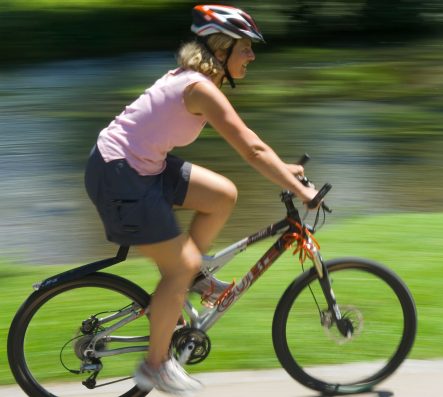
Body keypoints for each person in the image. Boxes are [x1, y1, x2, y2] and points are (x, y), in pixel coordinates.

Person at [84, 4, 318, 396]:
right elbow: (252, 150)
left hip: (140, 165)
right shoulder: (198, 88)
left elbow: (251, 142)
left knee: (222, 194)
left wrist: (283, 168)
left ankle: (188, 278)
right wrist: (301, 190)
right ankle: (155, 366)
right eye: (246, 48)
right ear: (223, 49)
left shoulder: (196, 81)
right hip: (118, 174)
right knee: (179, 268)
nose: (252, 56)